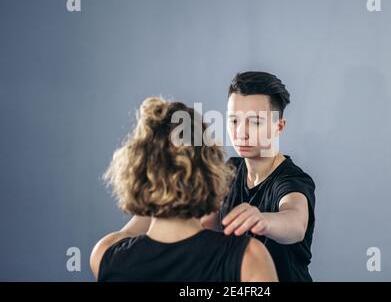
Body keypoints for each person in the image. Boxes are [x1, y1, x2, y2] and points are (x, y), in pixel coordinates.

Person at [90, 97, 278, 282]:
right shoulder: (248, 259)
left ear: (139, 167)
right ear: (210, 168)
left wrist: (156, 188)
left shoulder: (106, 256)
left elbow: (128, 234)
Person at [202, 72, 316, 282]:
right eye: (234, 120)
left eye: (254, 123)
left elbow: (295, 221)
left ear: (278, 126)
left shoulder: (291, 180)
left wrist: (263, 220)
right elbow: (201, 223)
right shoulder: (229, 171)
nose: (241, 133)